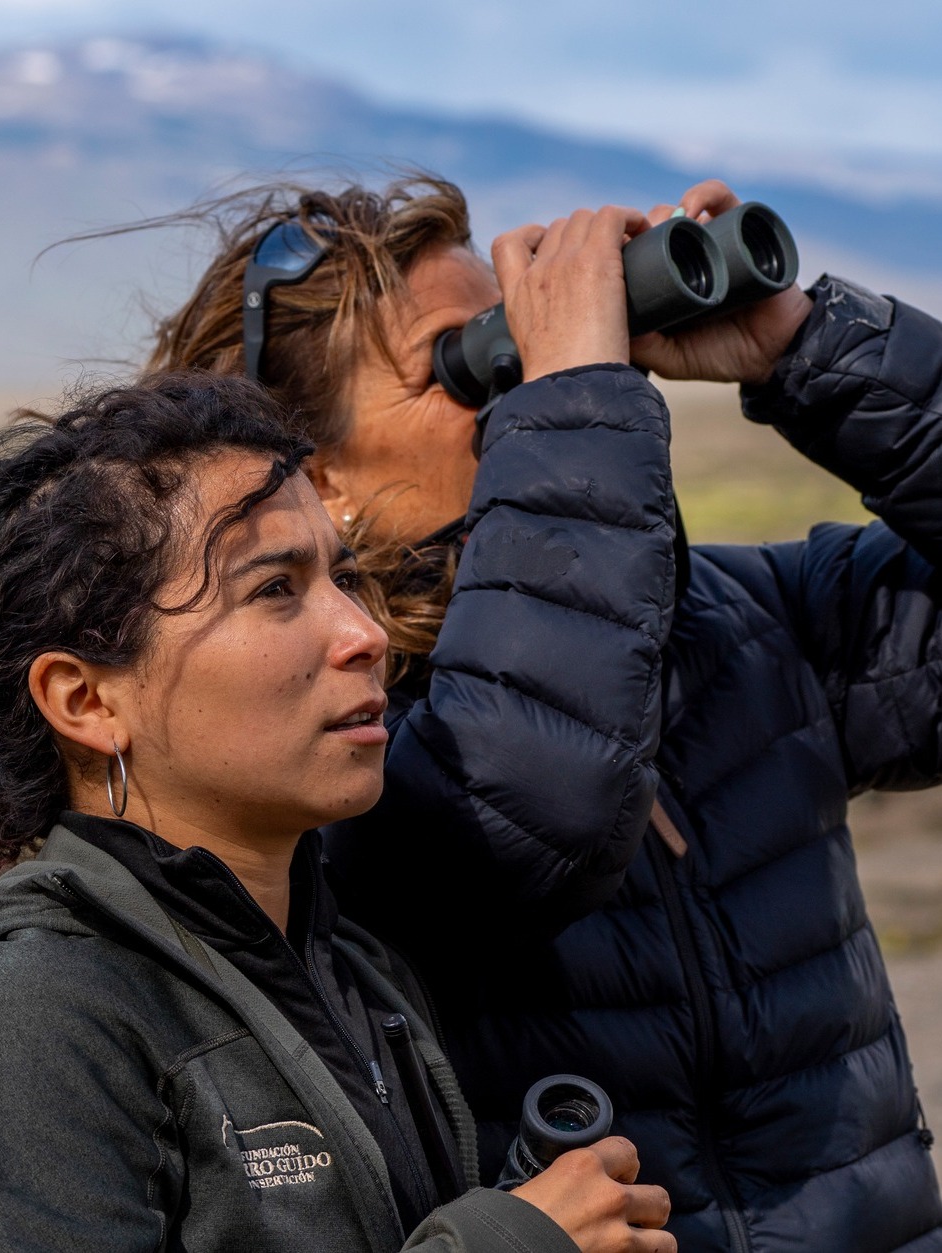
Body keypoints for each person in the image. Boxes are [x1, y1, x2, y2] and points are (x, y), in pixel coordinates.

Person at [145, 173, 942, 1251]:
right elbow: (538, 808)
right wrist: (574, 390)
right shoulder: (320, 725)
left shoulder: (739, 620)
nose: (518, 380)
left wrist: (806, 348)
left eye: (517, 338)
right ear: (315, 473)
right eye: (467, 361)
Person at [0, 371, 677, 1252]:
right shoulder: (29, 1030)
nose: (362, 632)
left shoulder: (355, 966)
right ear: (87, 702)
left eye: (341, 575)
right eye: (274, 590)